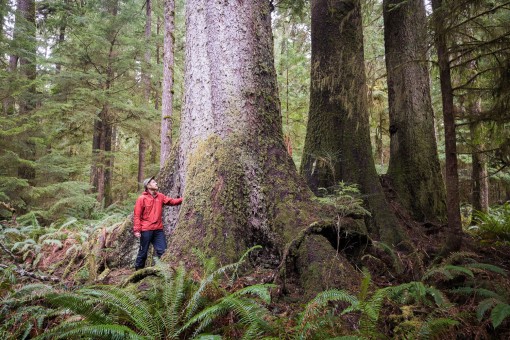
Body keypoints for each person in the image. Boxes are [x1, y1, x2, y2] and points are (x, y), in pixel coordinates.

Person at [133, 176, 183, 270]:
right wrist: (137, 230)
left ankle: (164, 272)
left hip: (158, 230)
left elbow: (172, 201)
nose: (156, 183)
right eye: (153, 182)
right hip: (146, 230)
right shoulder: (142, 199)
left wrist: (183, 199)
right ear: (148, 186)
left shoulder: (160, 196)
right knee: (143, 252)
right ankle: (137, 273)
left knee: (163, 251)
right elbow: (137, 215)